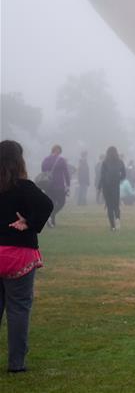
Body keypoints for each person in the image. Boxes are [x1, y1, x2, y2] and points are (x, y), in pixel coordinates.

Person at [1, 140, 54, 374]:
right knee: (19, 309)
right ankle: (16, 363)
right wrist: (29, 223)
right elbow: (47, 204)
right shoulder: (24, 187)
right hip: (18, 255)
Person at [40, 145, 69, 228]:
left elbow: (43, 170)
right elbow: (66, 173)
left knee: (51, 203)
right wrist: (68, 184)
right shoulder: (61, 160)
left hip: (48, 185)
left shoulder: (46, 159)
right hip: (59, 185)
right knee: (61, 202)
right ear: (59, 151)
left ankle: (51, 220)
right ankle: (51, 215)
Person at [98, 146, 126, 231]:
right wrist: (119, 179)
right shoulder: (120, 162)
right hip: (115, 186)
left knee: (109, 206)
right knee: (116, 205)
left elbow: (102, 176)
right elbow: (124, 174)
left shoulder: (105, 162)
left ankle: (112, 226)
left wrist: (99, 187)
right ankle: (117, 218)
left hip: (106, 186)